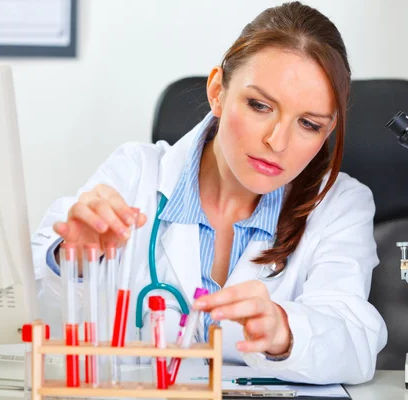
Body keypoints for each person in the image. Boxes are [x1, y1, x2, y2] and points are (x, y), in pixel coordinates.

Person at [31, 1, 387, 385]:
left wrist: (285, 331)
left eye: (308, 124)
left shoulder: (339, 205)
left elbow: (355, 340)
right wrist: (75, 264)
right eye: (260, 105)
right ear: (218, 91)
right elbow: (33, 317)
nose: (277, 141)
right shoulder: (134, 173)